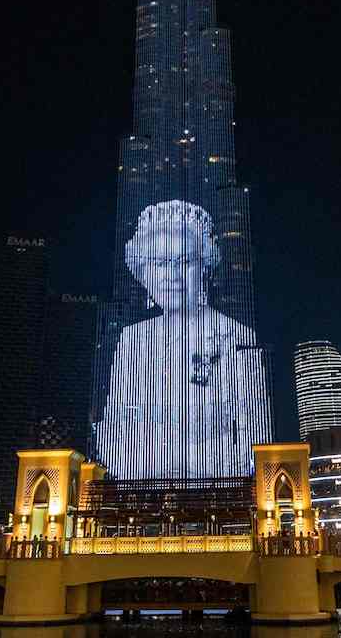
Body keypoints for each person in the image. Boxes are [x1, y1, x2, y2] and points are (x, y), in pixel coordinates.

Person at [93, 200, 271, 479]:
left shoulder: (237, 336)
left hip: (217, 481)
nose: (172, 275)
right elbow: (114, 428)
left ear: (205, 268)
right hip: (144, 483)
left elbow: (254, 429)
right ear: (143, 274)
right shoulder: (131, 340)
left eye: (184, 261)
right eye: (159, 263)